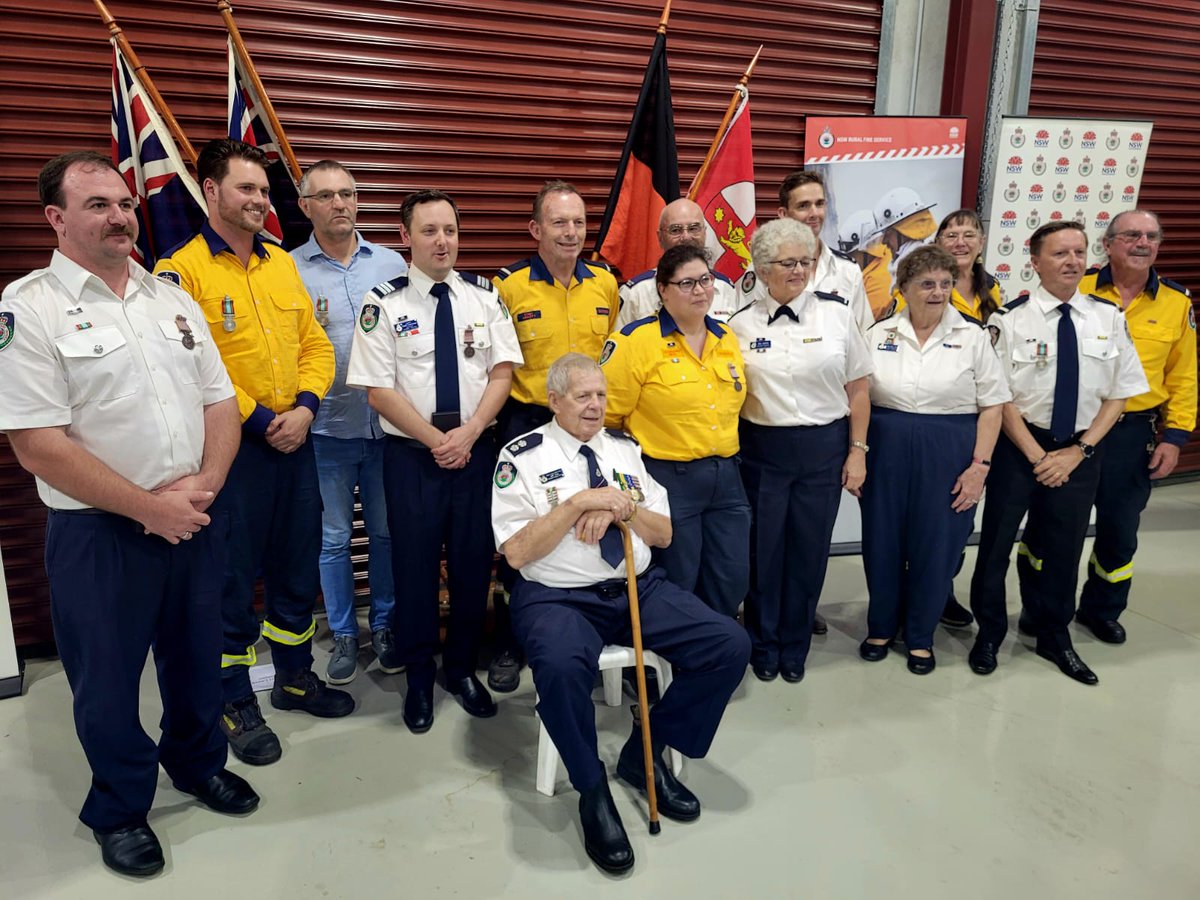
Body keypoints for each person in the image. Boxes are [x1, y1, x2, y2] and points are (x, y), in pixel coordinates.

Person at [0, 151, 259, 877]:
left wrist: (202, 487)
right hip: (100, 534)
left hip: (194, 517)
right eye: (97, 205)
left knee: (197, 661)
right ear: (55, 218)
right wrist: (151, 510)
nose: (120, 215)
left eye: (122, 202)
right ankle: (119, 807)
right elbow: (38, 445)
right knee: (108, 683)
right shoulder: (28, 308)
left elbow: (221, 402)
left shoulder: (168, 296)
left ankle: (200, 764)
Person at [491, 353, 750, 875]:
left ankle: (645, 750)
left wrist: (623, 507)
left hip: (636, 584)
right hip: (556, 595)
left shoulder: (626, 451)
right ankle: (592, 790)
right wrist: (578, 504)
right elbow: (516, 554)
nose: (595, 405)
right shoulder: (522, 456)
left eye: (602, 395)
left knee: (729, 645)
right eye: (583, 396)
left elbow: (665, 533)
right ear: (555, 400)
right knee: (562, 669)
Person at [154, 139, 352, 767]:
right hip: (230, 453)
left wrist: (306, 408)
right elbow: (193, 364)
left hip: (295, 442)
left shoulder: (280, 263)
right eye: (246, 189)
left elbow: (315, 345)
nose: (259, 200)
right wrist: (265, 418)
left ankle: (295, 676)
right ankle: (233, 698)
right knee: (231, 581)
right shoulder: (178, 272)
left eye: (264, 191)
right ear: (210, 191)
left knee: (296, 567)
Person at [347, 189, 523, 733]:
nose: (442, 240)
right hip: (412, 458)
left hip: (475, 453)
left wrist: (469, 434)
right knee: (414, 571)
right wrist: (436, 440)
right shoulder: (384, 305)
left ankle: (461, 669)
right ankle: (420, 677)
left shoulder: (485, 297)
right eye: (429, 230)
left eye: (449, 229)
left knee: (474, 568)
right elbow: (378, 390)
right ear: (406, 238)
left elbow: (502, 373)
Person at [967, 221, 1149, 684]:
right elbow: (999, 397)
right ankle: (988, 633)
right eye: (1059, 254)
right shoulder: (1007, 321)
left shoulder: (1109, 319)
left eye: (1079, 252)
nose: (1072, 262)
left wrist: (1080, 451)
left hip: (1080, 450)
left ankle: (1054, 635)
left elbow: (1120, 394)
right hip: (1020, 447)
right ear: (1035, 262)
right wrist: (1034, 454)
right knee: (996, 546)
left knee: (1065, 547)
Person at [488, 180, 620, 692]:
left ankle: (585, 624)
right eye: (560, 222)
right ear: (535, 229)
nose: (572, 232)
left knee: (589, 524)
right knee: (522, 534)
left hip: (588, 425)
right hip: (526, 423)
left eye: (579, 223)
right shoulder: (508, 286)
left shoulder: (605, 283)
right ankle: (510, 640)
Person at [727, 218, 872, 682]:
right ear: (762, 268)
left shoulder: (837, 314)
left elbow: (859, 390)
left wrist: (858, 451)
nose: (799, 271)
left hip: (823, 449)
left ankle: (795, 645)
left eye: (806, 261)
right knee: (762, 554)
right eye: (787, 263)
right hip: (762, 451)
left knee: (809, 553)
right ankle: (762, 642)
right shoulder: (737, 325)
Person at [857, 246, 1009, 674]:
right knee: (882, 540)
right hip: (885, 447)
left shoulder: (974, 337)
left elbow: (993, 406)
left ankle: (921, 635)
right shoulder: (878, 334)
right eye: (927, 284)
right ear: (903, 288)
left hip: (949, 450)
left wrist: (980, 467)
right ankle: (882, 626)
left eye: (945, 283)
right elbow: (860, 395)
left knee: (936, 544)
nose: (938, 292)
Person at [291, 160, 407, 684]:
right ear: (305, 206)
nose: (340, 204)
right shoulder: (287, 270)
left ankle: (384, 624)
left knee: (384, 534)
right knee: (334, 538)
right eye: (328, 196)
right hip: (325, 432)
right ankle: (342, 633)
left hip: (387, 430)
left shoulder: (391, 264)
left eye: (348, 194)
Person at [601, 243, 750, 617]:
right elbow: (607, 419)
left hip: (726, 476)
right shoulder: (634, 342)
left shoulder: (726, 338)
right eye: (686, 283)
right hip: (669, 478)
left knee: (731, 575)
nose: (700, 290)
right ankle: (673, 662)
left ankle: (718, 653)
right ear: (663, 290)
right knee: (678, 577)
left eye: (705, 280)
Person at [1075, 210, 1197, 641]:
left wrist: (1175, 437)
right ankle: (1043, 606)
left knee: (1120, 527)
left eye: (1151, 236)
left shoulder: (1176, 303)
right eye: (1131, 235)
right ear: (1107, 245)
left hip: (1133, 434)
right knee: (1056, 525)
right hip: (1076, 429)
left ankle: (1102, 609)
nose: (1142, 243)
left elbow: (1183, 377)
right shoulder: (1077, 288)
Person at [614, 197, 738, 329]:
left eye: (693, 228)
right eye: (675, 230)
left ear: (704, 233)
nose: (686, 237)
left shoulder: (725, 289)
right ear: (660, 238)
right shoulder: (636, 293)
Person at [837, 208, 892, 320]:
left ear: (867, 250)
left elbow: (858, 326)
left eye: (852, 254)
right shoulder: (887, 259)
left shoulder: (878, 280)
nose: (847, 260)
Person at [874, 186, 938, 281]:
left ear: (904, 231)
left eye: (888, 233)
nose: (884, 241)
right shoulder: (928, 260)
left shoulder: (923, 269)